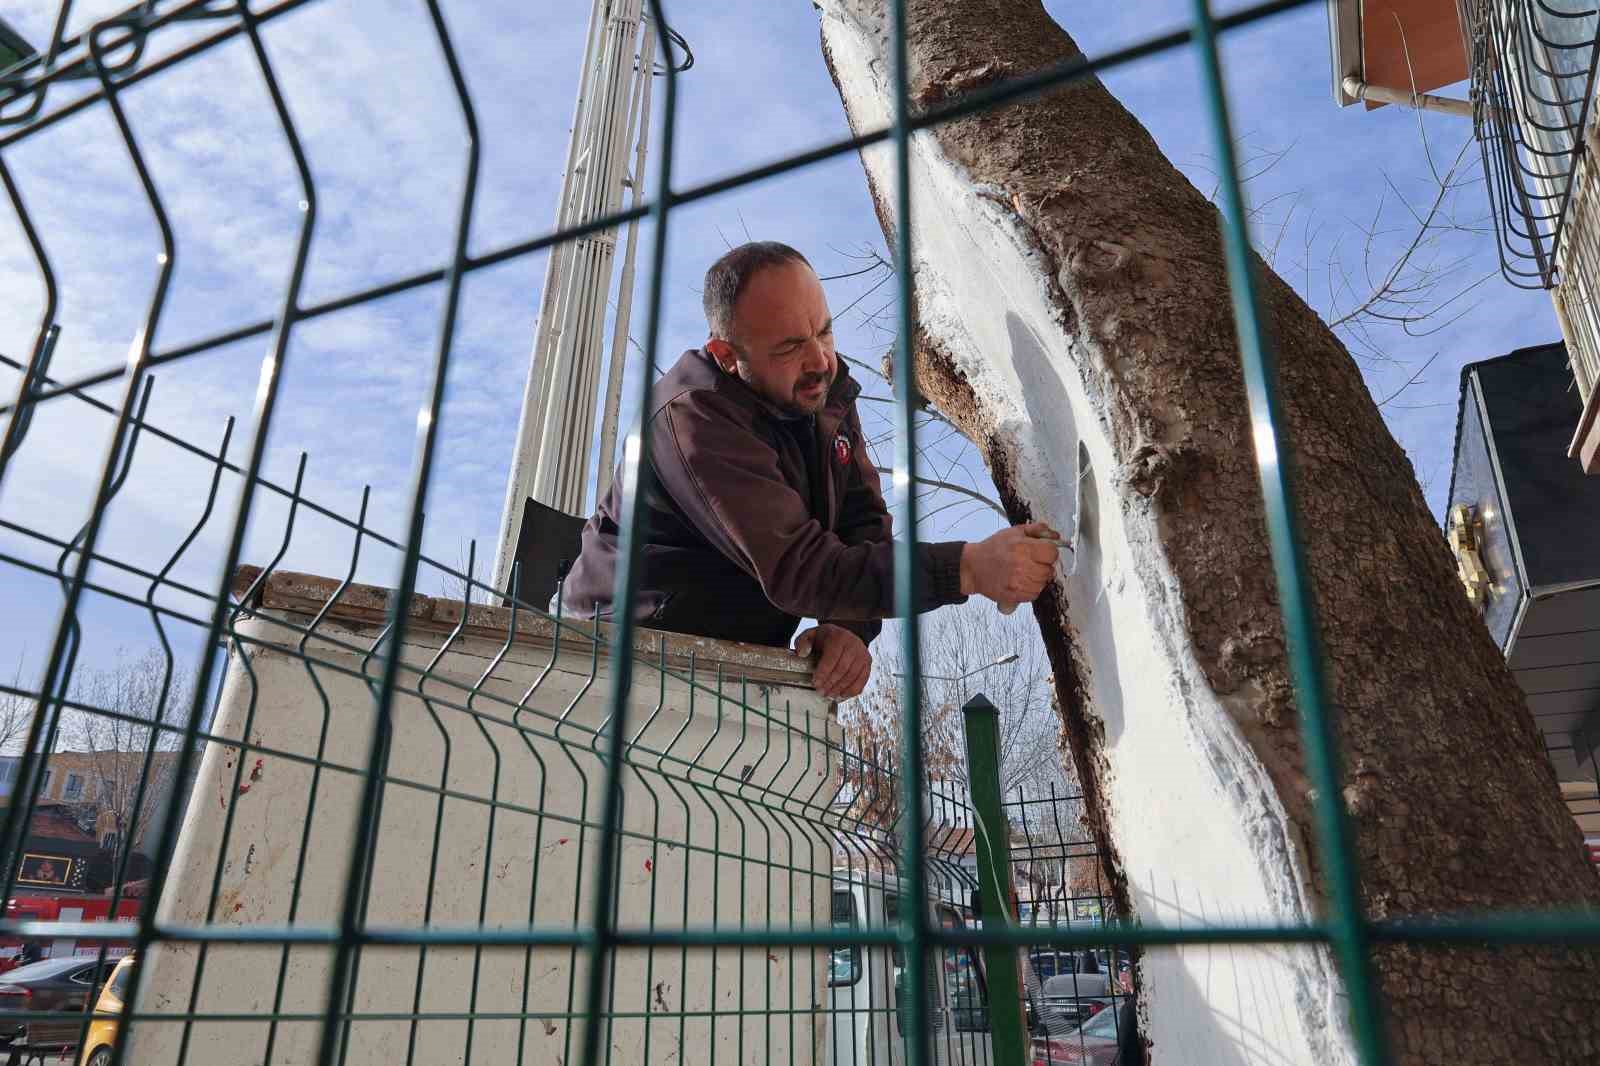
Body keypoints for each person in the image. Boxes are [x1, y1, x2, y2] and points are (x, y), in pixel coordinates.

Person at [562, 241, 1063, 699]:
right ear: (726, 355)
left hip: (741, 658)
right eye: (788, 347)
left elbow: (863, 524)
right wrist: (969, 567)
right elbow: (801, 566)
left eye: (824, 330)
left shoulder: (823, 389)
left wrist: (849, 625)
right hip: (620, 656)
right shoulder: (696, 419)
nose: (820, 360)